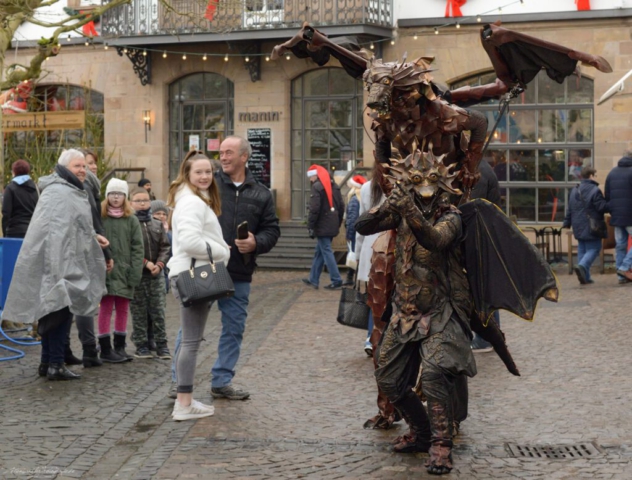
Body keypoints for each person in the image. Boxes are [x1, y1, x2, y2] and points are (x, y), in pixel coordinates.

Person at [1, 149, 107, 380]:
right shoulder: (61, 192)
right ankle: (55, 364)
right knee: (58, 311)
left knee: (53, 310)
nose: (82, 170)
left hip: (61, 259)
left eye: (84, 166)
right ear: (64, 168)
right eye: (77, 166)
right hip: (59, 262)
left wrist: (93, 237)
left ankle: (47, 362)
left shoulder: (64, 189)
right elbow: (58, 232)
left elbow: (72, 227)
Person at [168, 150, 230, 421]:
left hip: (190, 273)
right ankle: (184, 404)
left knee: (190, 341)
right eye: (199, 172)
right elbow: (189, 242)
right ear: (187, 174)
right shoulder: (192, 203)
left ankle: (186, 401)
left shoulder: (191, 199)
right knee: (191, 343)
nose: (205, 176)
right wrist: (222, 251)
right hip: (193, 275)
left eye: (208, 172)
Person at [98, 178, 144, 363]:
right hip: (106, 271)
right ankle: (105, 347)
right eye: (112, 194)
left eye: (119, 194)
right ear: (107, 196)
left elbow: (137, 247)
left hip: (125, 271)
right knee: (106, 308)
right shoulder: (101, 218)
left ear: (125, 197)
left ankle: (120, 346)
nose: (115, 198)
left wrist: (135, 273)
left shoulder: (131, 219)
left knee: (123, 309)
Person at [129, 189, 171, 359]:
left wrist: (160, 265)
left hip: (156, 275)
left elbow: (165, 247)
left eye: (145, 200)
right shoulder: (130, 224)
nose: (142, 204)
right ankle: (141, 344)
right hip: (137, 275)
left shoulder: (157, 224)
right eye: (138, 201)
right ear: (131, 203)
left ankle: (162, 344)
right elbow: (129, 250)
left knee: (158, 310)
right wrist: (146, 263)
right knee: (139, 311)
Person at [469, 158, 502, 352]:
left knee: (482, 291)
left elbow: (472, 208)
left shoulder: (479, 172)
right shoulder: (481, 168)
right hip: (484, 236)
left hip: (480, 238)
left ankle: (486, 337)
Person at [563, 166, 609, 285]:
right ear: (591, 176)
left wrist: (567, 222)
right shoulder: (594, 190)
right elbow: (601, 207)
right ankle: (582, 266)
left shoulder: (575, 190)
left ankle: (585, 277)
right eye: (595, 175)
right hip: (591, 225)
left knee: (582, 249)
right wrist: (611, 204)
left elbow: (570, 209)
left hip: (577, 225)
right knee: (594, 248)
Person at [302, 165, 345, 290]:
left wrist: (310, 225)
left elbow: (314, 209)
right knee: (319, 252)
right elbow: (341, 206)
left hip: (322, 225)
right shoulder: (335, 187)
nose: (310, 180)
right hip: (331, 224)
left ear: (316, 175)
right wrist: (337, 222)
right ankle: (313, 279)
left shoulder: (317, 187)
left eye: (311, 177)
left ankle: (336, 280)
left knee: (326, 251)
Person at [355, 179, 379, 356]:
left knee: (375, 299)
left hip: (369, 249)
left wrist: (357, 254)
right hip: (389, 246)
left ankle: (371, 337)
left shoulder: (366, 188)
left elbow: (360, 224)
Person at [604, 151, 632, 284]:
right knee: (622, 245)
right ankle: (624, 267)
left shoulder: (612, 173)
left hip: (616, 216)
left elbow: (607, 196)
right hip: (630, 215)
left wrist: (612, 210)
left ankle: (621, 276)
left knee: (620, 245)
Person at [1, 159, 39, 238]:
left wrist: (5, 233)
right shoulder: (36, 188)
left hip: (14, 231)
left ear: (14, 172)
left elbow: (6, 213)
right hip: (32, 232)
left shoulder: (10, 188)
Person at [344, 175, 366, 286]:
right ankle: (352, 277)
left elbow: (352, 219)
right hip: (360, 231)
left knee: (354, 255)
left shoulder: (353, 199)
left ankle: (351, 278)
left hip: (355, 233)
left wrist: (348, 234)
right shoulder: (361, 197)